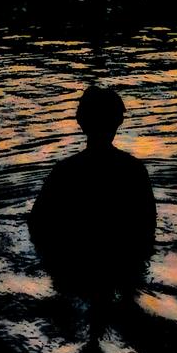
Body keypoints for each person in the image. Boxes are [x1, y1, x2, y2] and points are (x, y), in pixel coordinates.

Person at [27, 85, 156, 291]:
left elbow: (36, 223)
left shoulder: (65, 171)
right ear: (118, 122)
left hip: (75, 261)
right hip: (121, 260)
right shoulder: (134, 171)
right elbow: (148, 226)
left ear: (81, 122)